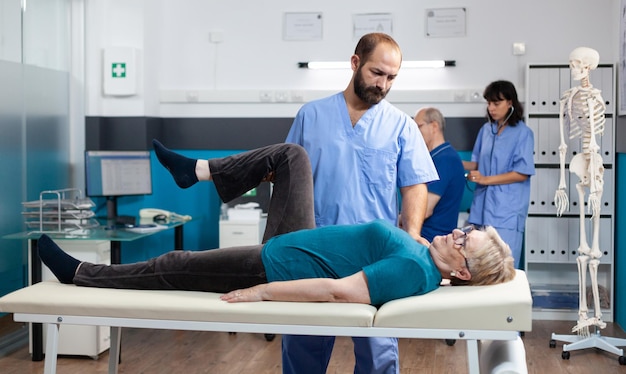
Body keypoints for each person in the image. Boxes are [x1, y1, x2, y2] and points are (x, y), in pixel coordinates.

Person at [38, 140, 515, 309]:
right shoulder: (420, 253)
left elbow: (340, 292)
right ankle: (197, 171)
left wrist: (262, 292)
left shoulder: (415, 272)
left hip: (274, 265)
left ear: (464, 272)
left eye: (463, 241)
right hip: (295, 240)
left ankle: (79, 273)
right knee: (293, 157)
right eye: (464, 229)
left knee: (175, 263)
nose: (456, 231)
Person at [284, 32, 438, 373]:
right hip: (316, 247)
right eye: (376, 73)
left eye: (391, 77)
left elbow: (415, 185)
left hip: (375, 253)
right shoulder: (311, 117)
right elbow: (288, 181)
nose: (383, 84)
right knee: (302, 344)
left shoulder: (400, 125)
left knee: (378, 349)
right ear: (355, 63)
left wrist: (410, 236)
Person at [463, 80, 535, 268]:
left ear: (510, 103)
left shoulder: (523, 133)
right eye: (488, 103)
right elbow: (477, 163)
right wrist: (454, 163)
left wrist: (486, 179)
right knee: (477, 264)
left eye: (496, 103)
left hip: (506, 211)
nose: (491, 108)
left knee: (504, 264)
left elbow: (522, 173)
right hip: (481, 208)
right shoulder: (486, 130)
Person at [413, 107, 466, 242]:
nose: (415, 132)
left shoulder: (445, 159)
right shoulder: (436, 157)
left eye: (419, 126)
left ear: (434, 126)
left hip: (432, 238)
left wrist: (396, 219)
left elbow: (425, 210)